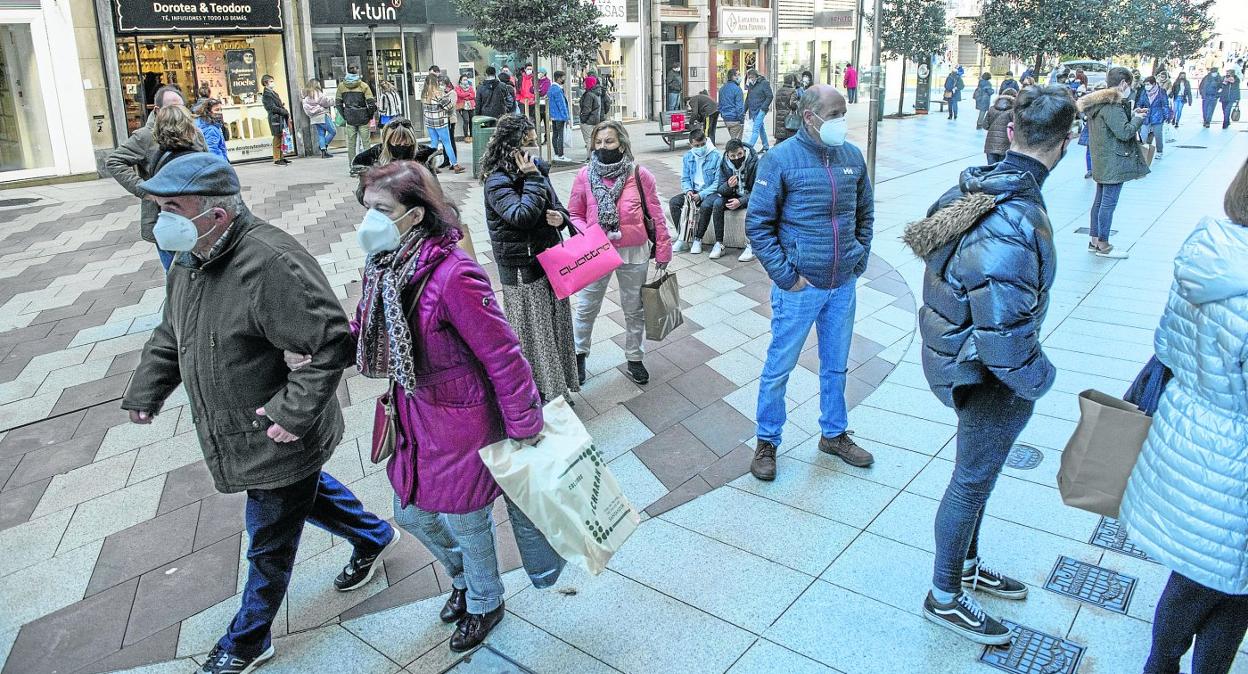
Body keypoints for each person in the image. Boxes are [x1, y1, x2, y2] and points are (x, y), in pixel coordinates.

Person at [120, 153, 400, 674]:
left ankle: (248, 639)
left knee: (269, 538)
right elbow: (171, 333)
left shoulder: (272, 263)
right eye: (158, 208)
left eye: (171, 208)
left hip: (277, 433)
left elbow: (333, 343)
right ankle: (374, 534)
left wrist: (291, 413)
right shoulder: (189, 259)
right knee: (301, 496)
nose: (161, 221)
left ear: (217, 215)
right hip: (240, 431)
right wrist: (146, 391)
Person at [352, 160, 564, 653]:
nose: (369, 223)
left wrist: (524, 422)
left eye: (382, 210)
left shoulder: (454, 274)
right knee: (409, 513)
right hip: (414, 412)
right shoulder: (383, 267)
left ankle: (485, 600)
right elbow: (365, 330)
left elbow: (503, 354)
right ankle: (465, 580)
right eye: (366, 210)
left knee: (468, 520)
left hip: (463, 420)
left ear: (416, 214)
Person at [903, 85, 1076, 646]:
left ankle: (967, 567)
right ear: (1066, 142)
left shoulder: (983, 187)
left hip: (968, 358)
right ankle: (945, 596)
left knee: (977, 479)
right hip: (987, 372)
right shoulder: (1013, 212)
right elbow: (1003, 335)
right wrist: (1037, 380)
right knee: (970, 481)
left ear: (1012, 132)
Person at [1120, 160, 1248, 674]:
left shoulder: (1211, 250)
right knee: (1219, 584)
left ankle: (1164, 664)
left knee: (1206, 578)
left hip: (1188, 433)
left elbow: (1167, 344)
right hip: (1233, 460)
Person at [745, 85, 875, 482]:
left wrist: (858, 257)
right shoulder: (780, 160)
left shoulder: (852, 156)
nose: (841, 121)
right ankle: (767, 440)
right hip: (800, 287)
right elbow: (758, 224)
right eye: (834, 113)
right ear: (809, 116)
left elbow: (865, 213)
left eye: (843, 112)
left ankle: (834, 433)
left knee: (836, 365)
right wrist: (787, 276)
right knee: (779, 366)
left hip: (842, 285)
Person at [481, 115, 580, 403]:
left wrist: (559, 219)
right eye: (528, 142)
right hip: (522, 269)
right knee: (535, 334)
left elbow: (558, 208)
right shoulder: (497, 181)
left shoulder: (537, 170)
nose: (534, 148)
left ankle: (559, 383)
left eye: (536, 141)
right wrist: (533, 179)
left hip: (549, 259)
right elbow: (521, 216)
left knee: (556, 327)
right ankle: (541, 392)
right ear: (512, 147)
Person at [568, 121, 672, 386]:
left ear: (622, 144)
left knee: (634, 309)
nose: (603, 147)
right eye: (599, 142)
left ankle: (634, 358)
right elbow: (575, 214)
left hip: (633, 251)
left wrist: (663, 249)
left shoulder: (639, 175)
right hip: (596, 252)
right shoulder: (585, 175)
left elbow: (656, 214)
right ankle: (579, 356)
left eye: (609, 142)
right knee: (586, 307)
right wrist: (588, 233)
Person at [105, 85, 204, 271]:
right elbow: (114, 161)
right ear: (157, 110)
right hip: (165, 216)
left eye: (181, 107)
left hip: (197, 213)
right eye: (171, 108)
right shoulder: (145, 136)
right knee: (176, 274)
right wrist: (145, 190)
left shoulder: (194, 132)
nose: (178, 113)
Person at [1081, 66, 1149, 259]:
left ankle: (1094, 240)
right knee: (1108, 203)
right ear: (1123, 83)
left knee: (1099, 201)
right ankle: (1103, 244)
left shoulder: (1098, 102)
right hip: (1113, 160)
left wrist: (1131, 113)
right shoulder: (1112, 105)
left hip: (1101, 158)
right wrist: (1138, 118)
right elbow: (1125, 132)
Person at [669, 129, 722, 255]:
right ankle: (683, 238)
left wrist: (701, 195)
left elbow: (717, 183)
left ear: (706, 140)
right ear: (691, 145)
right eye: (696, 146)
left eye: (702, 144)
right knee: (674, 202)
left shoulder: (716, 156)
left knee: (705, 205)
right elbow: (685, 178)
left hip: (709, 192)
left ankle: (698, 239)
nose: (700, 148)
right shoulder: (688, 157)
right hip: (694, 191)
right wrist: (688, 191)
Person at [713, 138, 758, 261]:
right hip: (733, 195)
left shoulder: (754, 162)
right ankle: (719, 244)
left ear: (744, 151)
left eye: (739, 154)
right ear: (728, 155)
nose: (737, 158)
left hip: (749, 196)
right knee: (717, 203)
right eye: (732, 156)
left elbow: (758, 190)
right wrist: (728, 185)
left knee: (753, 207)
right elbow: (720, 189)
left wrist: (741, 201)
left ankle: (751, 245)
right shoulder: (725, 163)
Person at [337, 66, 377, 176]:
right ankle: (368, 166)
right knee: (366, 143)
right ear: (357, 73)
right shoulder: (363, 86)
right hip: (363, 117)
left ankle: (353, 167)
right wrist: (369, 115)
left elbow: (338, 103)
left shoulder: (341, 86)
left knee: (351, 144)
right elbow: (371, 103)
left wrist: (345, 115)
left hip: (350, 117)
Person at [423, 75, 464, 174]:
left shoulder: (424, 94)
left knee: (433, 144)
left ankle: (430, 165)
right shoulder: (438, 94)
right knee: (447, 143)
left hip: (429, 122)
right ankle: (455, 165)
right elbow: (449, 106)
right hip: (440, 122)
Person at [1136, 76, 1172, 160]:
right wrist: (1139, 109)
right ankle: (1143, 152)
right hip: (1146, 116)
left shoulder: (1161, 92)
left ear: (1154, 84)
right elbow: (1140, 102)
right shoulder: (1144, 92)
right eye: (1145, 84)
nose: (1146, 86)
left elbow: (1165, 105)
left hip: (1157, 116)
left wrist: (1167, 116)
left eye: (1148, 84)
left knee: (1158, 135)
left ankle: (1159, 151)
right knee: (1143, 135)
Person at [302, 78, 336, 159]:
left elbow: (306, 108)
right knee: (333, 131)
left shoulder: (306, 95)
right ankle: (324, 146)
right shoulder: (317, 93)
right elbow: (325, 102)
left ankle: (323, 152)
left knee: (321, 134)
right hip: (322, 115)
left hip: (314, 118)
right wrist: (333, 101)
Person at [261, 75, 290, 167]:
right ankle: (277, 158)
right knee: (277, 137)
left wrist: (284, 111)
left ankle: (281, 157)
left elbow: (278, 105)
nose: (273, 83)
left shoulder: (273, 92)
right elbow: (271, 107)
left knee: (281, 137)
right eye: (271, 81)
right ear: (266, 82)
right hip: (275, 118)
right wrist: (283, 111)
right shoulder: (266, 94)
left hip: (280, 117)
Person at [579, 75, 608, 161]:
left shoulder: (589, 95)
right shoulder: (597, 93)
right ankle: (595, 157)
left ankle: (590, 158)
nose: (583, 84)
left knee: (589, 140)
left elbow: (586, 109)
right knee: (594, 139)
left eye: (585, 82)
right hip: (595, 120)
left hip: (589, 121)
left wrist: (583, 119)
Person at [983, 90, 1017, 164]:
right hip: (1006, 145)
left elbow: (985, 126)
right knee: (1001, 170)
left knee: (991, 169)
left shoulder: (992, 108)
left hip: (990, 145)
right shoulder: (1013, 111)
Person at [744, 69, 774, 152]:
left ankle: (749, 148)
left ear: (756, 76)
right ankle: (765, 146)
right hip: (753, 110)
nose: (751, 79)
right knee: (761, 128)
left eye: (752, 77)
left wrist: (764, 107)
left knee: (755, 129)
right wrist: (744, 110)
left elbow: (770, 96)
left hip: (761, 109)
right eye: (749, 77)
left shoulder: (764, 83)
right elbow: (748, 98)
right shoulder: (750, 85)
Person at [548, 71, 571, 161]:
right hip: (560, 116)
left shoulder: (551, 89)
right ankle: (561, 155)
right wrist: (566, 117)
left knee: (555, 135)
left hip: (553, 116)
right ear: (558, 78)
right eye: (563, 77)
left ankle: (557, 154)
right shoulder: (558, 90)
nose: (564, 79)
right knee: (560, 136)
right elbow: (562, 105)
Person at [719, 69, 746, 140]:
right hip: (735, 118)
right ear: (734, 76)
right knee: (736, 142)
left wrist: (723, 114)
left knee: (733, 139)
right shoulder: (737, 89)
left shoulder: (722, 89)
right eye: (738, 75)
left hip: (726, 118)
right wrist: (742, 119)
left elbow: (720, 104)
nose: (740, 77)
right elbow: (739, 107)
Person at [774, 74, 799, 144]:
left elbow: (776, 104)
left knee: (780, 138)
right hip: (788, 117)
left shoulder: (779, 91)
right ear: (792, 82)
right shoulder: (792, 91)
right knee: (788, 138)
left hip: (779, 116)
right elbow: (793, 104)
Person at [455, 75, 476, 142]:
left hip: (471, 106)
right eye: (464, 79)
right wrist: (468, 94)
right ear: (460, 80)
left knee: (471, 121)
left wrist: (466, 95)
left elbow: (473, 95)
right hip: (463, 106)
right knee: (466, 120)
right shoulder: (457, 87)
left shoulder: (470, 87)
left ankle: (472, 136)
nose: (465, 81)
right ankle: (466, 136)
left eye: (466, 79)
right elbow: (459, 95)